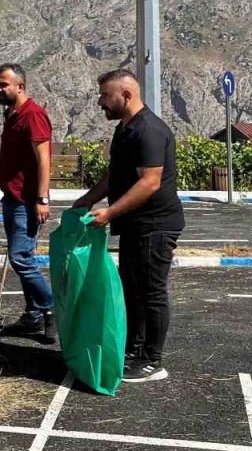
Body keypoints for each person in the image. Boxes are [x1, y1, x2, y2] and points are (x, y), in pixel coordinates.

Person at [71, 69, 184, 383]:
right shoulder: (125, 129)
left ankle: (152, 361)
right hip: (135, 225)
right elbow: (116, 175)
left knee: (151, 292)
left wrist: (109, 213)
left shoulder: (148, 130)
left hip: (155, 225)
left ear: (126, 95)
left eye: (105, 96)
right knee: (131, 290)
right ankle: (133, 351)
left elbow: (149, 182)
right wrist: (88, 199)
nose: (100, 102)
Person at [0, 63, 56, 337]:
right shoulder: (12, 114)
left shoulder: (33, 115)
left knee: (20, 258)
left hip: (27, 201)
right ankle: (33, 317)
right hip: (12, 197)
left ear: (20, 86)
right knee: (23, 256)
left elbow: (44, 159)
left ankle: (52, 307)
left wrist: (42, 197)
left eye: (4, 84)